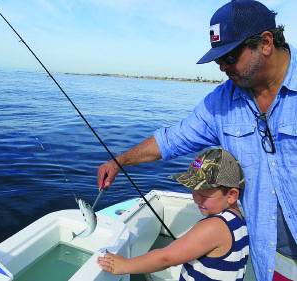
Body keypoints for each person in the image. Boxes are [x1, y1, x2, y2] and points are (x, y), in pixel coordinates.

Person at [97, 1, 297, 281]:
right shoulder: (220, 102)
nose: (222, 67)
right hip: (273, 258)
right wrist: (120, 161)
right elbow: (172, 139)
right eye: (218, 60)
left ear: (265, 43)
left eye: (229, 56)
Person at [98, 148, 249, 280]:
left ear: (232, 195)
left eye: (203, 195)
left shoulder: (214, 226)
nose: (196, 200)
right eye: (193, 192)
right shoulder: (238, 220)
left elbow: (166, 258)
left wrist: (124, 265)